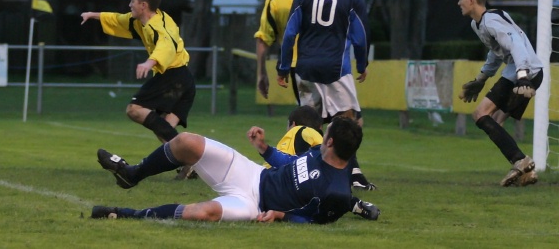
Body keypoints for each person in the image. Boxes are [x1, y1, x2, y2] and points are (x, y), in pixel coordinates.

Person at [91, 116, 379, 223]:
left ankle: (123, 213)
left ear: (329, 142)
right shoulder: (320, 151)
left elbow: (315, 221)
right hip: (254, 174)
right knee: (187, 142)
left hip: (253, 204)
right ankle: (132, 174)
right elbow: (293, 166)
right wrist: (265, 149)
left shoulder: (338, 192)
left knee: (203, 212)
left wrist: (281, 215)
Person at [80, 0, 197, 179]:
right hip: (183, 79)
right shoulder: (141, 20)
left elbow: (166, 46)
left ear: (143, 5)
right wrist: (93, 15)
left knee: (134, 110)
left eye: (132, 1)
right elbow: (119, 19)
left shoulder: (157, 26)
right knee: (164, 129)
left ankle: (193, 157)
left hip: (173, 76)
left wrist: (149, 62)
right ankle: (190, 165)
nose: (129, 4)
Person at [456, 0, 543, 187]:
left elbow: (516, 44)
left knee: (480, 115)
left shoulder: (491, 20)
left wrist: (522, 75)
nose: (458, 3)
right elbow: (496, 53)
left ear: (471, 0)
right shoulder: (478, 24)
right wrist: (481, 79)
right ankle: (525, 172)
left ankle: (521, 160)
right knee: (494, 120)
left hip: (523, 73)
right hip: (528, 72)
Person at [276, 0, 369, 126]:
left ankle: (305, 153)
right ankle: (345, 155)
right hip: (337, 69)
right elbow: (361, 38)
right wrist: (362, 64)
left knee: (308, 123)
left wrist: (283, 68)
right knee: (350, 122)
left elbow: (289, 35)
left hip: (306, 68)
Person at [248, 105, 375, 190]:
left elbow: (286, 162)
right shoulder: (317, 148)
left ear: (293, 124)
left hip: (265, 179)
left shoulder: (302, 130)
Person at [254, 0, 314, 100]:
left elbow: (263, 40)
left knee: (310, 118)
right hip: (332, 62)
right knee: (343, 117)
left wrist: (261, 74)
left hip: (299, 65)